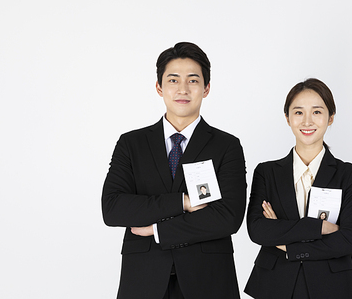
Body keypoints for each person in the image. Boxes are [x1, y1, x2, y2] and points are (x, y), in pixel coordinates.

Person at [102, 42, 247, 299]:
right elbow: (114, 208)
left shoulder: (227, 146)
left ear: (206, 88)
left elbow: (228, 217)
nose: (182, 89)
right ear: (159, 87)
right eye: (173, 80)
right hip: (144, 278)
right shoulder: (131, 144)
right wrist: (184, 202)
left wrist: (158, 229)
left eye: (193, 80)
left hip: (208, 279)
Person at [244, 78, 352, 299]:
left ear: (330, 118)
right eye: (298, 112)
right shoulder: (267, 172)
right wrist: (319, 228)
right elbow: (258, 229)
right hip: (274, 284)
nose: (307, 121)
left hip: (332, 285)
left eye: (317, 112)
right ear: (287, 118)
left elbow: (350, 239)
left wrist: (287, 242)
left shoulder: (349, 175)